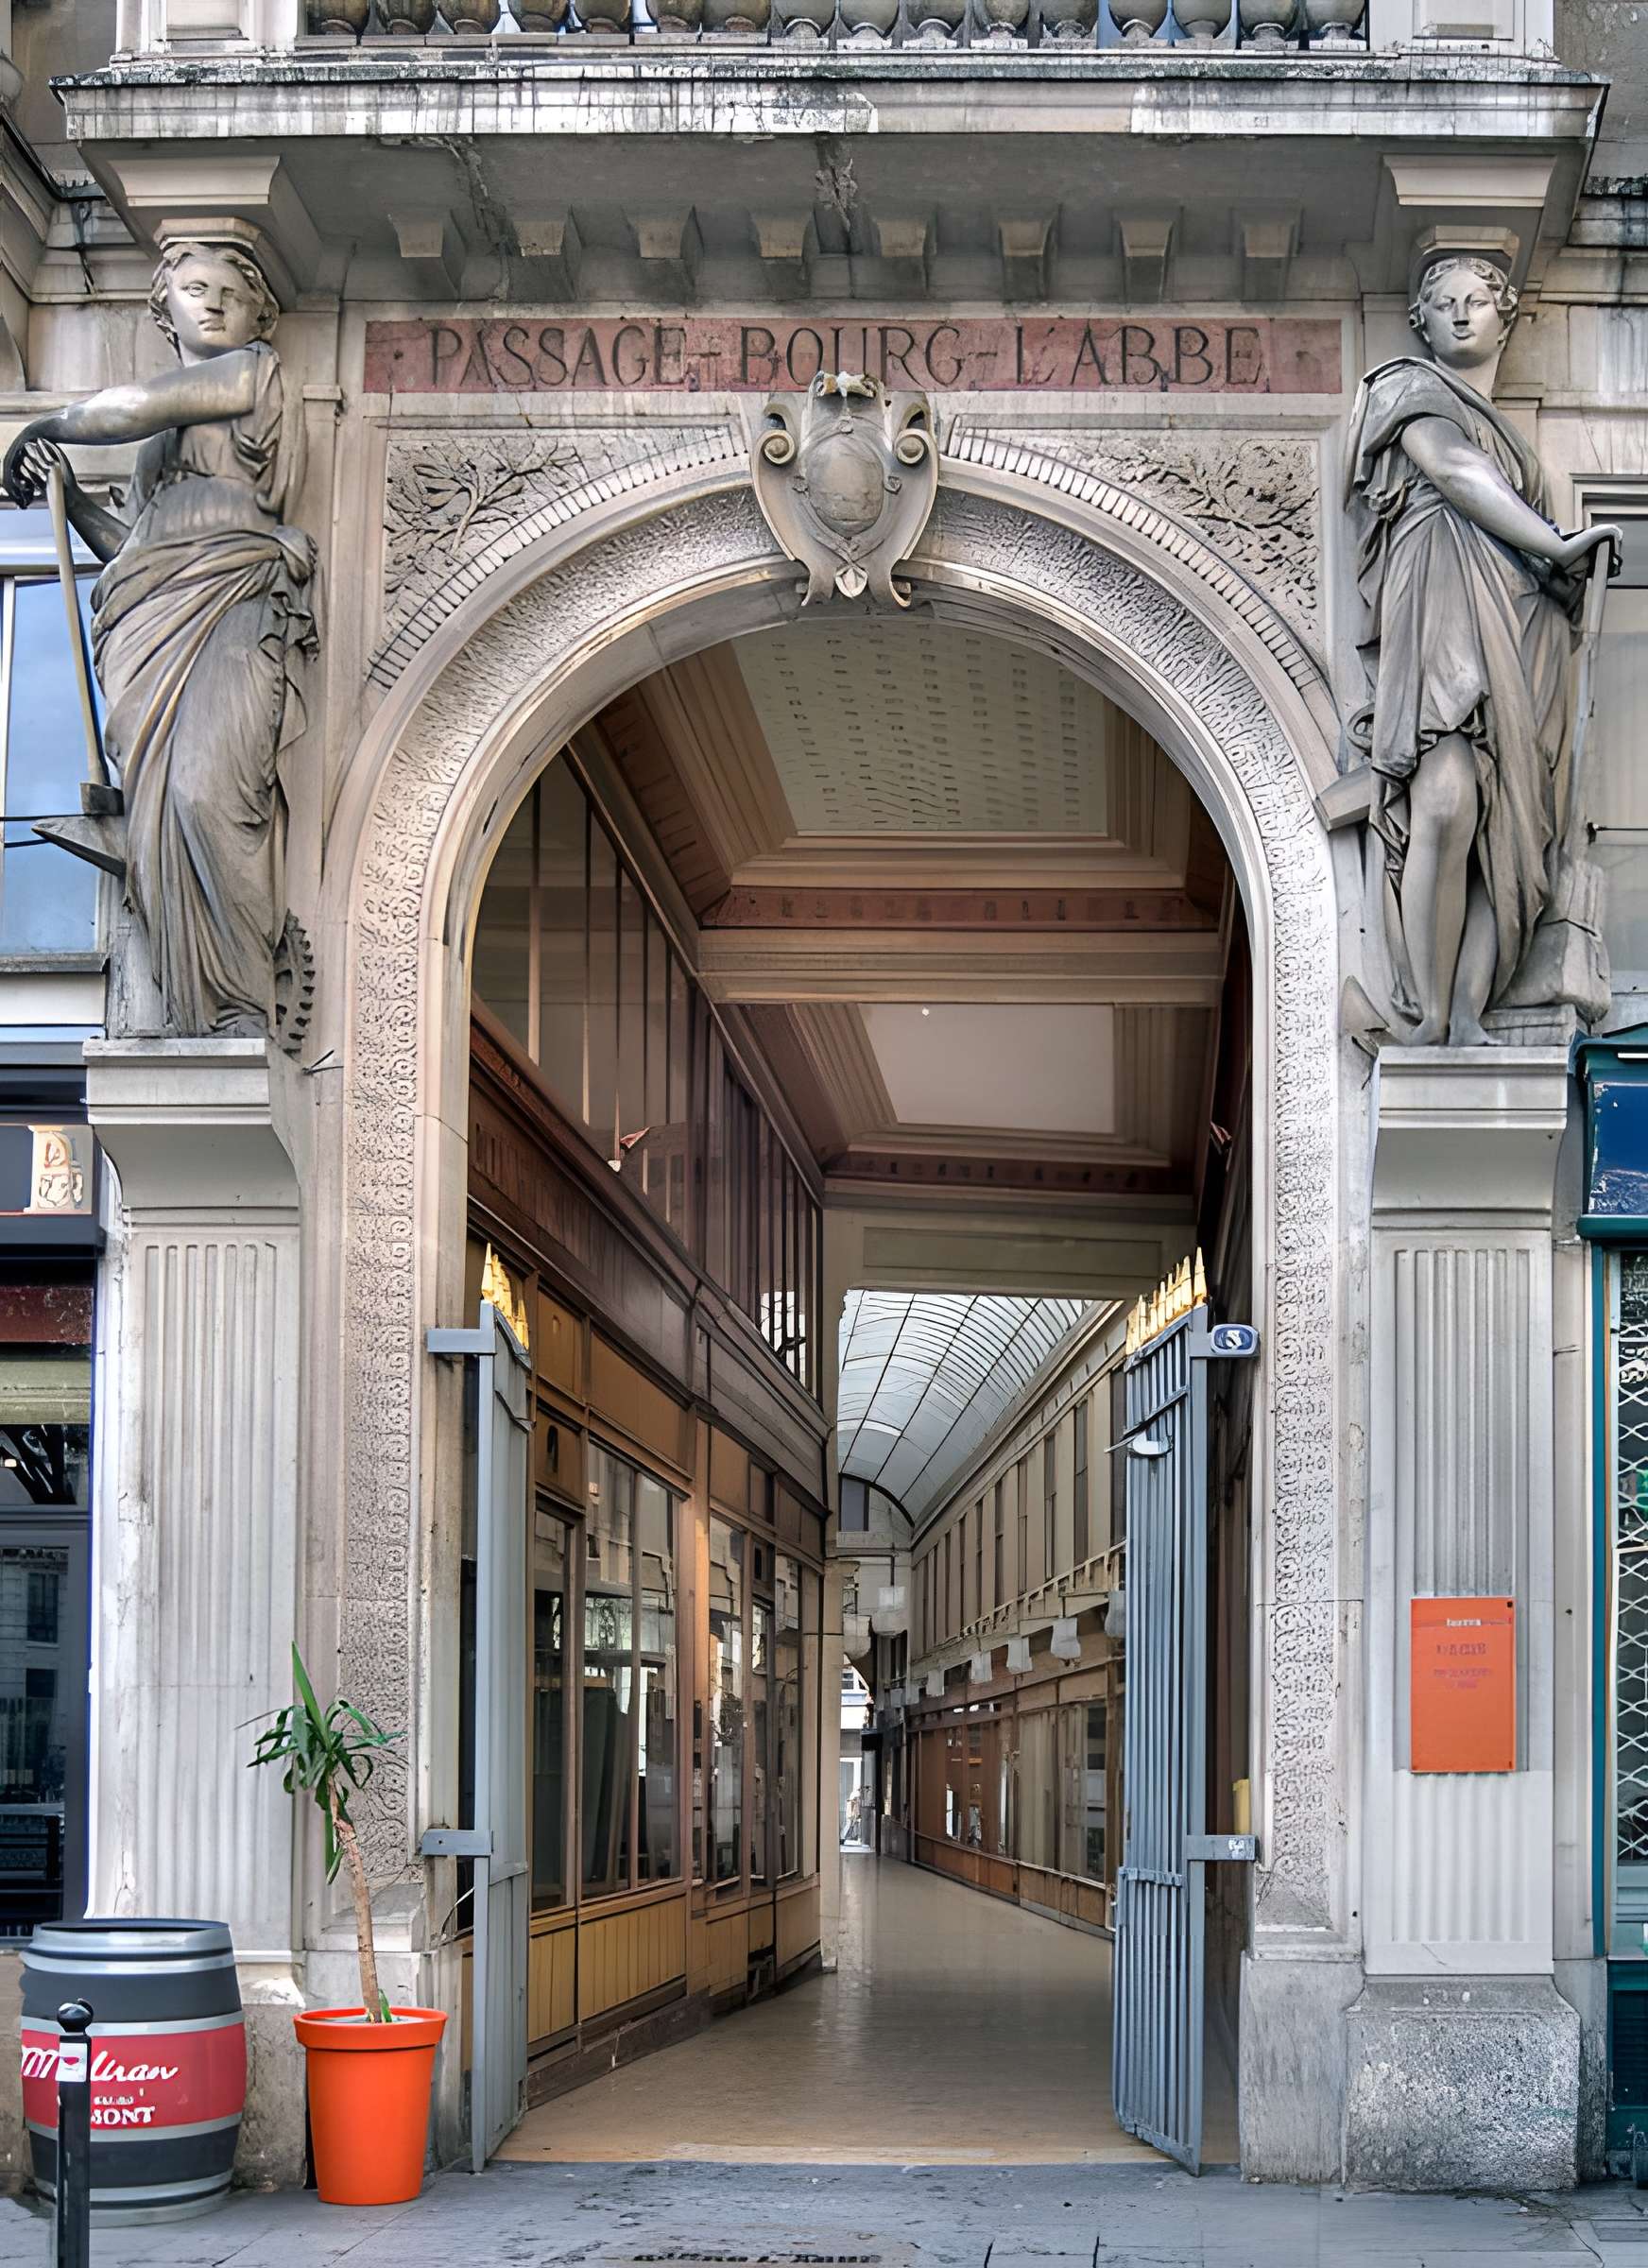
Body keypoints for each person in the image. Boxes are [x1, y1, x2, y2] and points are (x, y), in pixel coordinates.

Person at [3, 241, 316, 1039]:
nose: (213, 306)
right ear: (163, 304)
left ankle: (243, 997)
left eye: (232, 295)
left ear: (258, 316)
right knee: (159, 820)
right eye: (194, 289)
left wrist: (49, 424)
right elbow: (131, 552)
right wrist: (69, 505)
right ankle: (196, 1009)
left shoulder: (251, 372)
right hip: (150, 618)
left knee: (205, 792)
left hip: (235, 594)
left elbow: (131, 407)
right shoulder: (155, 454)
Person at [1347, 254, 1618, 1045]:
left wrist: (1556, 576)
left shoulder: (1520, 459)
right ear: (1419, 322)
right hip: (1439, 598)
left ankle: (1467, 1014)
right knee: (1446, 797)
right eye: (1444, 304)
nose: (1462, 316)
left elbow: (1499, 508)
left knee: (1512, 832)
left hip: (1518, 627)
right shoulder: (1406, 388)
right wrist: (1557, 545)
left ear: (1508, 316)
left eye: (1477, 302)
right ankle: (1425, 1014)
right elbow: (1457, 470)